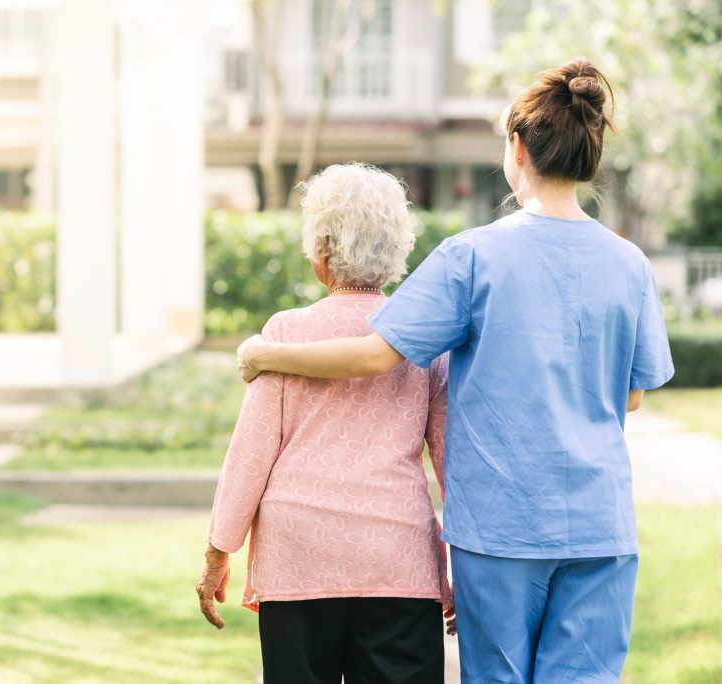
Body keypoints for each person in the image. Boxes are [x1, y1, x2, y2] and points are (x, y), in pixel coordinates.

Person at [236, 58, 673, 683]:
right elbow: (631, 396)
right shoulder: (630, 264)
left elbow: (375, 354)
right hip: (600, 524)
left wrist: (268, 354)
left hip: (500, 528)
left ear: (517, 148)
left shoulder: (472, 256)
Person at [196, 163, 454, 684]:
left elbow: (250, 455)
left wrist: (218, 554)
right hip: (397, 559)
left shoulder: (285, 333)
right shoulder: (423, 340)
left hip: (298, 558)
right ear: (396, 248)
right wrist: (465, 569)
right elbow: (455, 463)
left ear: (321, 250)